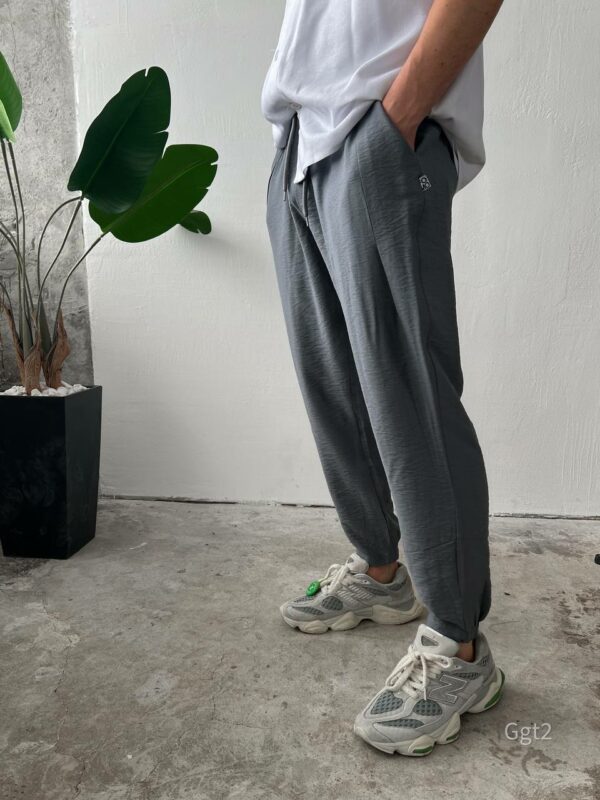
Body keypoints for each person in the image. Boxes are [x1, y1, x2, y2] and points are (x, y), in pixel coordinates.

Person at [262, 0, 505, 757]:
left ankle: (459, 648)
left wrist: (397, 116)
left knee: (411, 399)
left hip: (383, 126)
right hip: (303, 137)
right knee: (333, 383)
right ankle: (380, 570)